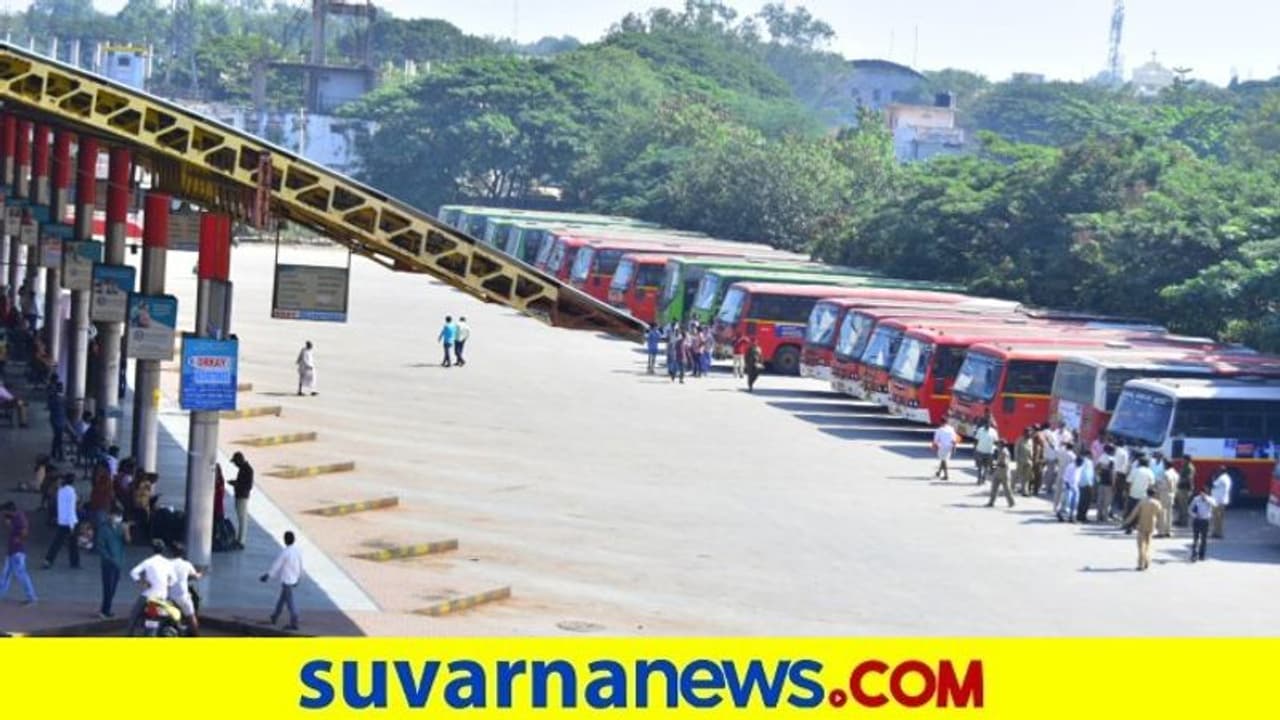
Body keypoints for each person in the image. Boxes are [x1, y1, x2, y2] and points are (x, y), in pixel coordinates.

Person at [126, 540, 174, 635]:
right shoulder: (168, 563)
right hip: (162, 596)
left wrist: (143, 582)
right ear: (163, 550)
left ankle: (129, 634)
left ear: (153, 549)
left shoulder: (148, 561)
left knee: (134, 615)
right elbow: (174, 579)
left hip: (148, 595)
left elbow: (133, 572)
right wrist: (167, 586)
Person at [261, 530, 303, 630]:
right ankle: (275, 616)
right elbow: (301, 566)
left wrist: (268, 575)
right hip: (293, 579)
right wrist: (299, 578)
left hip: (287, 580)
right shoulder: (297, 551)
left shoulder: (285, 552)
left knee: (289, 602)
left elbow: (277, 565)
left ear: (285, 540)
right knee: (282, 599)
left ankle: (294, 621)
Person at [0, 501, 37, 605]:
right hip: (12, 551)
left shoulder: (19, 517)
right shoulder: (15, 517)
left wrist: (19, 539)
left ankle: (32, 597)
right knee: (6, 574)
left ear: (9, 510)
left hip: (17, 552)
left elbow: (24, 531)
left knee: (21, 575)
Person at [95, 508, 129, 618]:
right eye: (115, 515)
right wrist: (108, 558)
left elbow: (127, 541)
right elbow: (100, 546)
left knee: (113, 587)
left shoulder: (120, 528)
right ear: (110, 516)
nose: (117, 518)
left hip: (118, 561)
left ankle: (106, 609)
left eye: (119, 516)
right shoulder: (103, 529)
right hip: (108, 563)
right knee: (108, 588)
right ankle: (105, 610)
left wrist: (126, 531)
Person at [42, 474, 80, 569]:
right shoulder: (71, 492)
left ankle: (48, 560)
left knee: (57, 542)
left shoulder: (60, 491)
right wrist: (72, 525)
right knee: (73, 543)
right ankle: (74, 562)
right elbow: (71, 509)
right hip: (71, 521)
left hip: (62, 520)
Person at [1124, 487, 1163, 571]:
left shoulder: (1142, 502)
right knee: (1148, 544)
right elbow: (1160, 514)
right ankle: (1147, 561)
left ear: (1147, 493)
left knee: (1141, 545)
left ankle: (1140, 564)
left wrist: (1127, 522)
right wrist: (1159, 526)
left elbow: (1134, 513)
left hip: (1142, 524)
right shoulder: (1157, 503)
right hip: (1151, 524)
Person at [167, 543, 202, 635]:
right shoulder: (186, 564)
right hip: (182, 596)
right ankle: (195, 635)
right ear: (182, 553)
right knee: (191, 616)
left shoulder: (166, 564)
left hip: (167, 596)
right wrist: (200, 574)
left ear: (171, 552)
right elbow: (196, 576)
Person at [229, 451, 254, 549]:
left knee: (242, 519)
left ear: (239, 460)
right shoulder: (243, 469)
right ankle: (239, 539)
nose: (235, 464)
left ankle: (241, 541)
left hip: (242, 496)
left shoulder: (248, 470)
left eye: (235, 462)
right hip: (240, 495)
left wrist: (237, 484)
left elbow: (248, 485)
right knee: (241, 518)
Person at [1124, 456, 1154, 529]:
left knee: (1131, 510)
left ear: (1139, 463)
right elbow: (1151, 484)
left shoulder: (1135, 470)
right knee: (1141, 511)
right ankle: (1137, 525)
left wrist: (1128, 491)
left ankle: (1129, 525)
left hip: (1133, 493)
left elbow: (1129, 482)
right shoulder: (1150, 472)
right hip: (1143, 495)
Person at [1187, 484, 1215, 562]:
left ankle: (1202, 555)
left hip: (1205, 521)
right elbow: (1189, 509)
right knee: (1195, 538)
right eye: (1202, 493)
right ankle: (1194, 555)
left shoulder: (1210, 499)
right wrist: (1194, 515)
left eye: (1204, 493)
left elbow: (1214, 504)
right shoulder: (1196, 499)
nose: (1203, 495)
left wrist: (1207, 499)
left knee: (1204, 539)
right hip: (1197, 520)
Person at [985, 443, 1016, 508]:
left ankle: (1011, 502)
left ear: (1001, 445)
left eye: (998, 445)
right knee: (994, 488)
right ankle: (991, 502)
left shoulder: (1004, 453)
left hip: (1004, 473)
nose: (997, 446)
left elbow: (1004, 464)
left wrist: (995, 464)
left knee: (1007, 489)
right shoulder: (1001, 451)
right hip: (998, 472)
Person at [1154, 463, 1176, 538]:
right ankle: (1168, 531)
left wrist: (1158, 486)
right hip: (1172, 494)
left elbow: (1167, 482)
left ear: (1166, 465)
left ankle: (1161, 532)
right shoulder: (1175, 473)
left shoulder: (1166, 473)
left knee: (1162, 513)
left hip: (1165, 493)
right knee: (1169, 513)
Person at [1056, 452, 1080, 523]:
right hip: (1068, 486)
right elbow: (1065, 477)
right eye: (1079, 463)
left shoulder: (1079, 467)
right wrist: (1067, 486)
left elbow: (1077, 477)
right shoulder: (1070, 466)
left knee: (1075, 502)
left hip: (1075, 486)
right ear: (1076, 461)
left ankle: (1071, 516)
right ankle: (1061, 514)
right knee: (1066, 502)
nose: (1080, 465)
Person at [47, 380, 67, 461]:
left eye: (62, 387)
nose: (61, 389)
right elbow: (51, 406)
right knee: (59, 437)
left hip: (59, 418)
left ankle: (54, 452)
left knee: (57, 437)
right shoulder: (55, 397)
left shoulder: (60, 397)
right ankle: (60, 455)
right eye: (60, 387)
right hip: (56, 419)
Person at [1096, 442, 1116, 522]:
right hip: (1109, 483)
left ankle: (1098, 516)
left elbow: (1097, 467)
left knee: (1100, 500)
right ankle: (1105, 518)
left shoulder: (1102, 456)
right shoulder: (1112, 459)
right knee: (1107, 502)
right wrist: (1113, 484)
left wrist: (1098, 476)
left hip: (1101, 481)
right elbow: (1112, 473)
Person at [1174, 455, 1195, 527]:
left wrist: (1179, 481)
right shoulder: (1184, 466)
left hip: (1185, 488)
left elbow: (1189, 478)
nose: (1182, 460)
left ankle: (1184, 522)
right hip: (1181, 487)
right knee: (1180, 505)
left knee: (1184, 506)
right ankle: (1180, 520)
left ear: (1187, 460)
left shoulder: (1189, 468)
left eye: (1183, 459)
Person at [1112, 440, 1131, 518]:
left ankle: (1112, 511)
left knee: (1114, 493)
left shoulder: (1116, 451)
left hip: (1115, 473)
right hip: (1121, 475)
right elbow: (1126, 465)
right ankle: (1114, 511)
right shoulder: (1125, 452)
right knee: (1118, 494)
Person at [1210, 467, 1231, 539]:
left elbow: (1214, 484)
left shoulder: (1222, 478)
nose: (1217, 472)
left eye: (1219, 471)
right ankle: (1216, 532)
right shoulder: (1227, 478)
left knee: (1217, 518)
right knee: (1219, 518)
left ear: (1221, 471)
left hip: (1218, 501)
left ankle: (1218, 533)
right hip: (1221, 500)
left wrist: (1213, 478)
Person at [1076, 451, 1096, 523]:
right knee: (1086, 501)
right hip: (1087, 484)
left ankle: (1079, 515)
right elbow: (1089, 474)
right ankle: (1083, 516)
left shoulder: (1082, 461)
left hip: (1081, 483)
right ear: (1089, 455)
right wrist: (1090, 484)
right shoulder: (1089, 462)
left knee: (1081, 500)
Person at [1014, 428, 1034, 496]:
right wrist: (1017, 460)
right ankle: (1012, 487)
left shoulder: (1030, 440)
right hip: (1021, 461)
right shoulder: (1020, 440)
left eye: (1030, 433)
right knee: (1018, 475)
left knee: (1026, 477)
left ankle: (1025, 491)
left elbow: (1031, 450)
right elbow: (1016, 450)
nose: (1029, 434)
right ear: (1025, 433)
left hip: (1028, 461)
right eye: (1028, 433)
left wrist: (1031, 459)